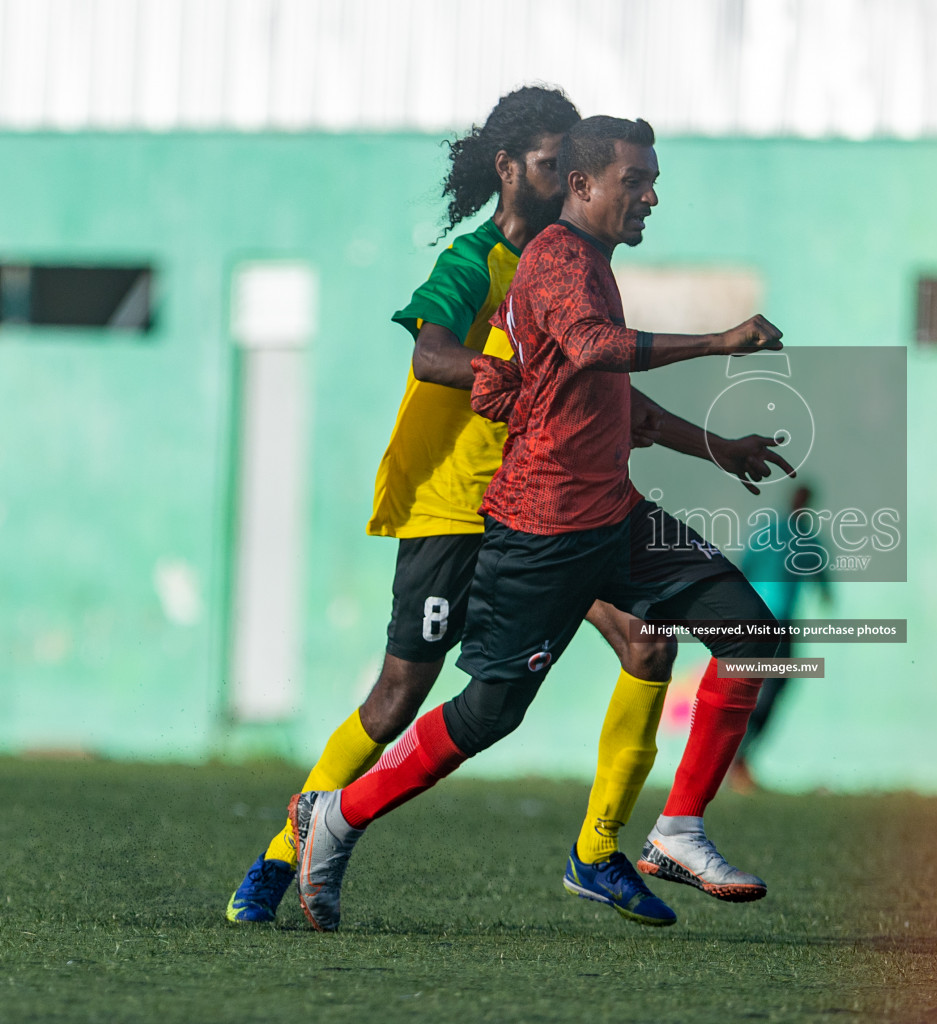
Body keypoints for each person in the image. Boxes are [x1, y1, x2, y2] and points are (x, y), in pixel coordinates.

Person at [225, 88, 780, 926]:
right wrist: (709, 342)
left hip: (591, 509)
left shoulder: (586, 262)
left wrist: (716, 446)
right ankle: (297, 839)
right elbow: (440, 353)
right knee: (421, 701)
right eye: (568, 168)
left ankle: (630, 840)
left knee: (681, 637)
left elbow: (610, 397)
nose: (648, 195)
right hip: (475, 506)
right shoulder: (508, 262)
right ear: (527, 173)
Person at [728, 484, 834, 793]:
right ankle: (736, 757)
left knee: (765, 687)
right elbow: (822, 583)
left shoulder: (781, 533)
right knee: (768, 687)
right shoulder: (793, 535)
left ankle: (737, 757)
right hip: (770, 623)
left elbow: (741, 568)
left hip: (764, 622)